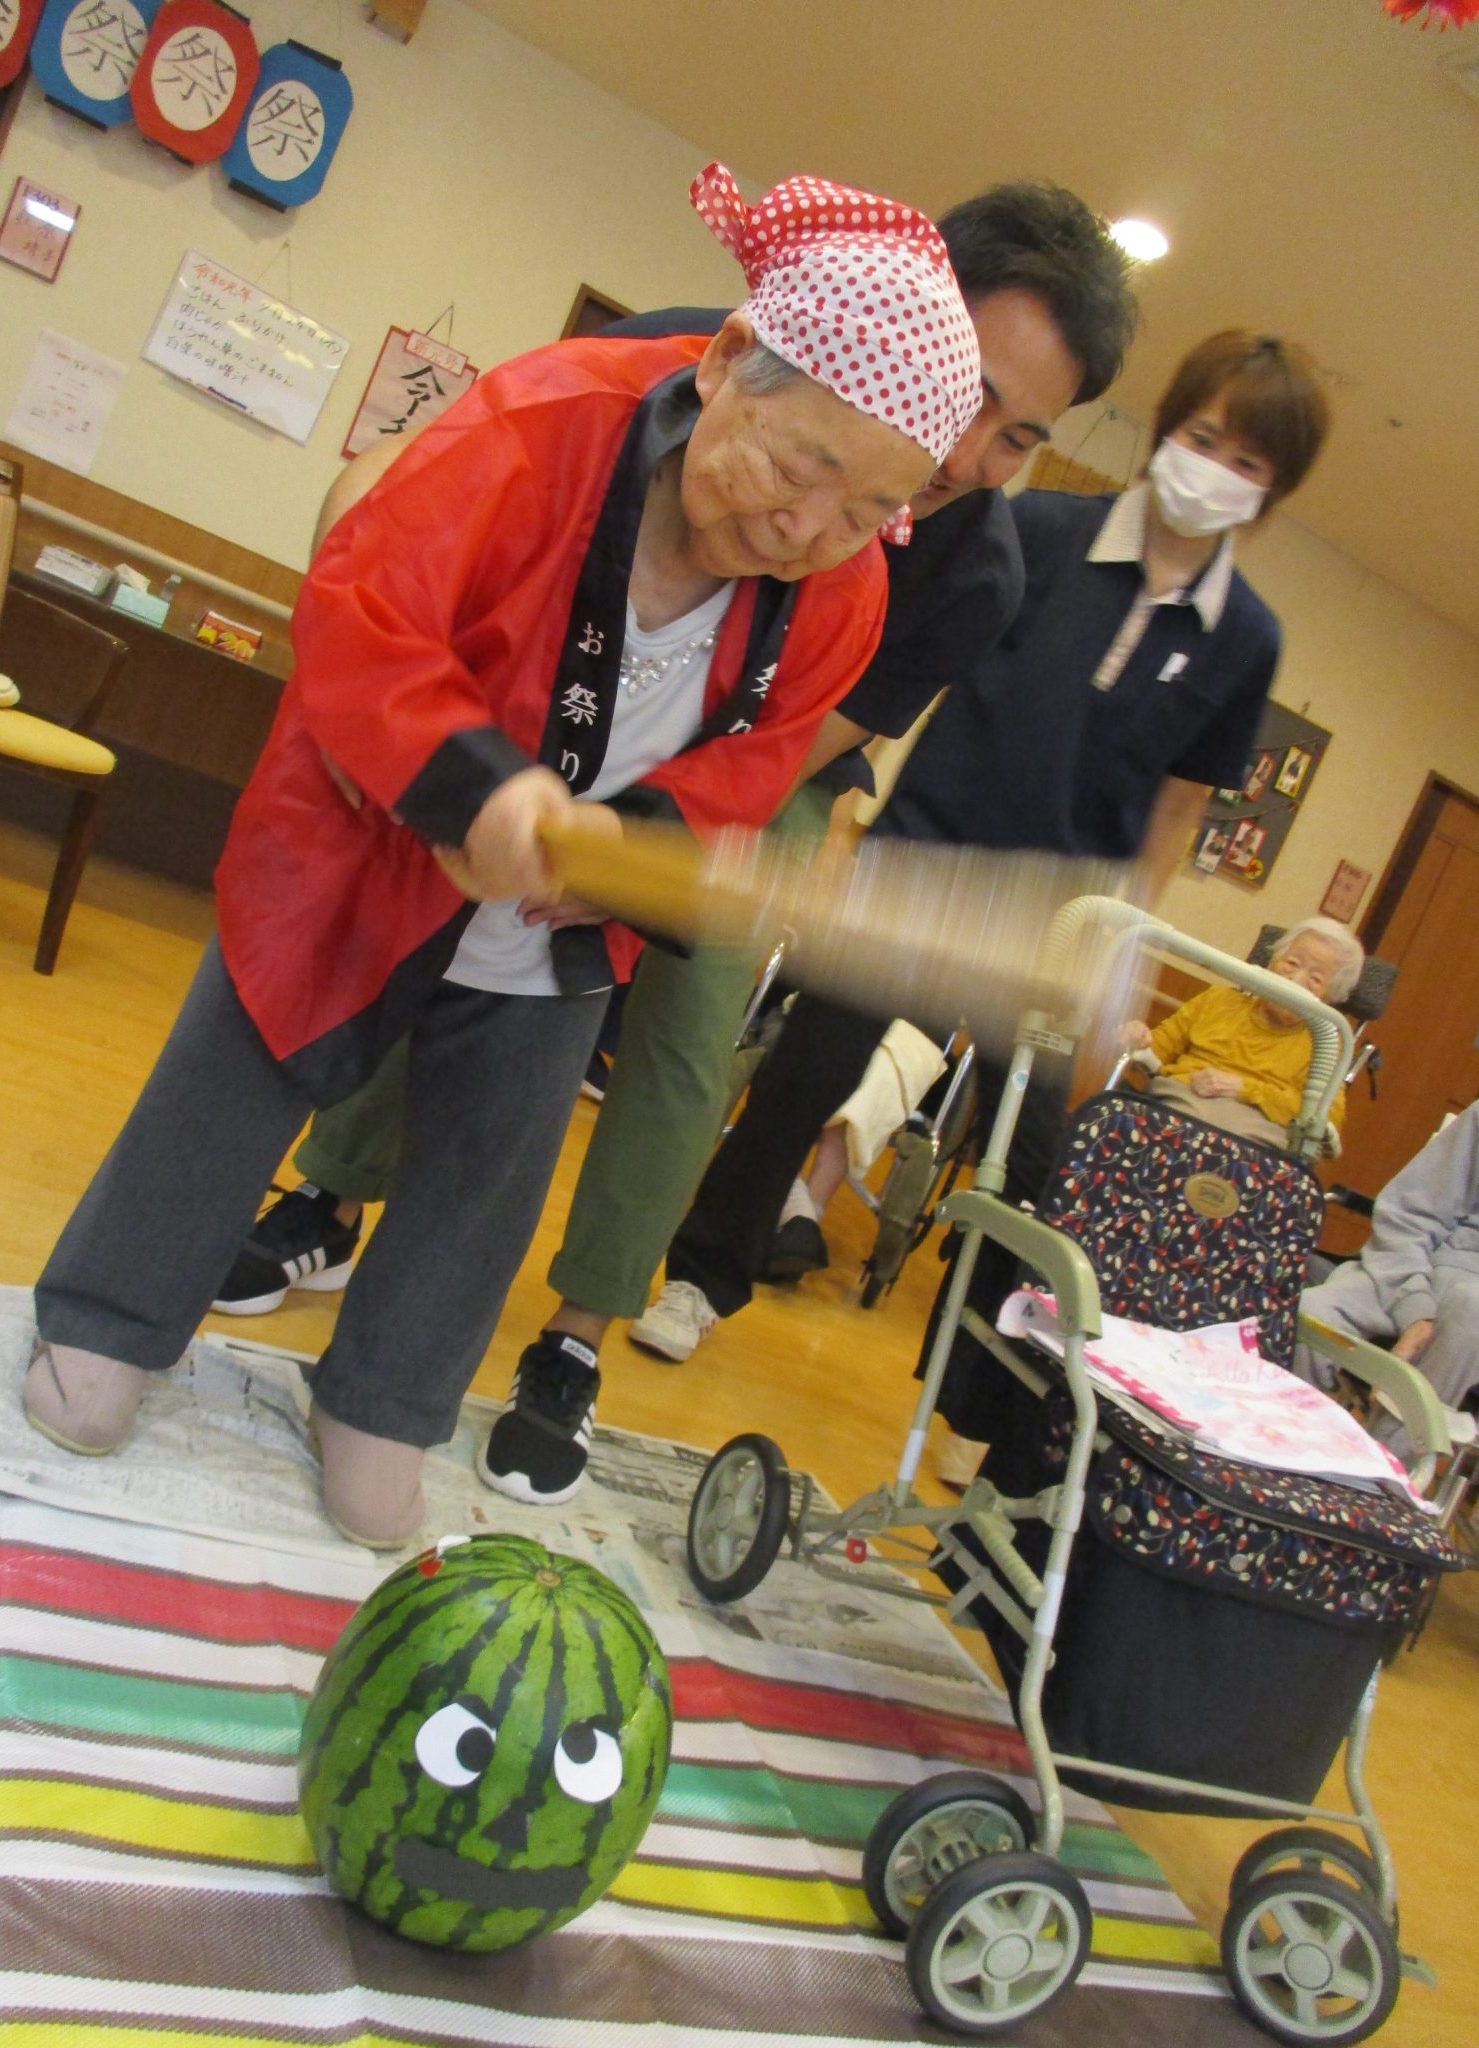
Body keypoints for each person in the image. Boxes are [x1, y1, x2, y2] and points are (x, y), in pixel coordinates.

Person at [23, 161, 984, 1548]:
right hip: (371, 833)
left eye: (864, 511)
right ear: (727, 360)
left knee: (488, 1169)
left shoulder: (846, 591)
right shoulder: (540, 422)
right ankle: (110, 1318)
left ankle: (386, 1400)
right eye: (797, 469)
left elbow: (758, 763)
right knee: (236, 1072)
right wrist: (474, 789)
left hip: (562, 920)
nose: (807, 531)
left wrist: (628, 847)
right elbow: (366, 605)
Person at [208, 181, 1140, 1506]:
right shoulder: (702, 347)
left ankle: (578, 1337)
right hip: (548, 686)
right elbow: (426, 503)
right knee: (442, 909)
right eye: (973, 390)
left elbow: (792, 745)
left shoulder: (977, 572)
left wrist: (633, 842)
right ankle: (333, 1197)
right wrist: (489, 790)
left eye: (1020, 437)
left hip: (759, 752)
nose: (967, 447)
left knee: (691, 1017)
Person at [636, 330, 1334, 1424]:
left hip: (1064, 924)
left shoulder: (1246, 636)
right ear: (1166, 431)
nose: (1214, 471)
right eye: (1203, 439)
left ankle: (975, 1401)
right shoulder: (1036, 532)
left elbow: (1180, 808)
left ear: (1273, 492)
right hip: (922, 862)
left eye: (1246, 462)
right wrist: (846, 825)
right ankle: (699, 1277)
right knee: (802, 1078)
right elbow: (903, 667)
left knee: (1040, 1166)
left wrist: (1124, 949)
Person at [1297, 1101, 1479, 1428]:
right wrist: (1415, 1307)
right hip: (1425, 1263)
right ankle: (1268, 1440)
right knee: (1310, 1313)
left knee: (1471, 1312)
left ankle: (1387, 1461)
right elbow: (1410, 1216)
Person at [1121, 915, 1363, 1149]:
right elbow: (1156, 1048)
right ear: (1272, 962)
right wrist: (1138, 1038)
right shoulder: (1218, 1000)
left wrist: (1244, 1089)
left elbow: (1326, 1118)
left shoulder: (1325, 1044)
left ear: (1329, 997)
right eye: (1292, 963)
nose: (1296, 979)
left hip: (1252, 1138)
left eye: (1315, 979)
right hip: (1178, 1102)